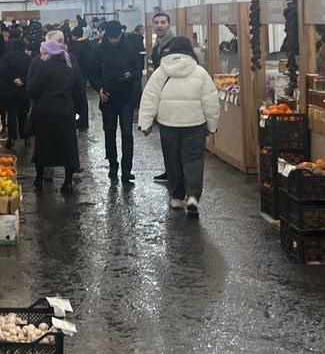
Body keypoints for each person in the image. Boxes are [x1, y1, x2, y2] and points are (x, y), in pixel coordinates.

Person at [138, 36, 219, 217]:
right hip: (195, 124)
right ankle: (192, 196)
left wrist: (145, 123)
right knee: (193, 160)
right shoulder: (200, 72)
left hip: (168, 124)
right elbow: (211, 101)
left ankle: (176, 197)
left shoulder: (161, 72)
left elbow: (149, 98)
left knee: (172, 159)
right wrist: (212, 125)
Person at [27, 40, 86, 193]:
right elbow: (79, 92)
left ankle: (39, 179)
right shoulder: (70, 70)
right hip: (65, 111)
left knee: (43, 144)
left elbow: (32, 88)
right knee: (68, 145)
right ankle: (67, 182)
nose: (41, 56)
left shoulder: (42, 68)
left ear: (50, 54)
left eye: (44, 52)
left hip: (45, 110)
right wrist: (75, 109)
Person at [91, 21, 141, 185]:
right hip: (108, 98)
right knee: (109, 133)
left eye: (116, 37)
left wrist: (131, 75)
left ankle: (127, 169)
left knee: (127, 133)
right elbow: (92, 74)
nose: (114, 41)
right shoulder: (98, 50)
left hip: (126, 98)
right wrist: (99, 89)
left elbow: (138, 70)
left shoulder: (129, 48)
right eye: (111, 38)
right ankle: (113, 165)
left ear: (121, 34)